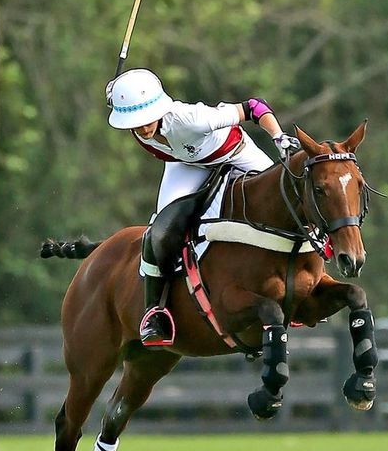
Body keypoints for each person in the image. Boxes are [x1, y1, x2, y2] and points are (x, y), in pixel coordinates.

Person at [106, 68, 300, 345]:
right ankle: (155, 312)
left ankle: (302, 283)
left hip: (235, 155)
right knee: (159, 232)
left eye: (145, 119)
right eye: (133, 122)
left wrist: (279, 137)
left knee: (280, 201)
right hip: (186, 166)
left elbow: (254, 107)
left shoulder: (191, 119)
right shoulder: (137, 126)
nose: (141, 128)